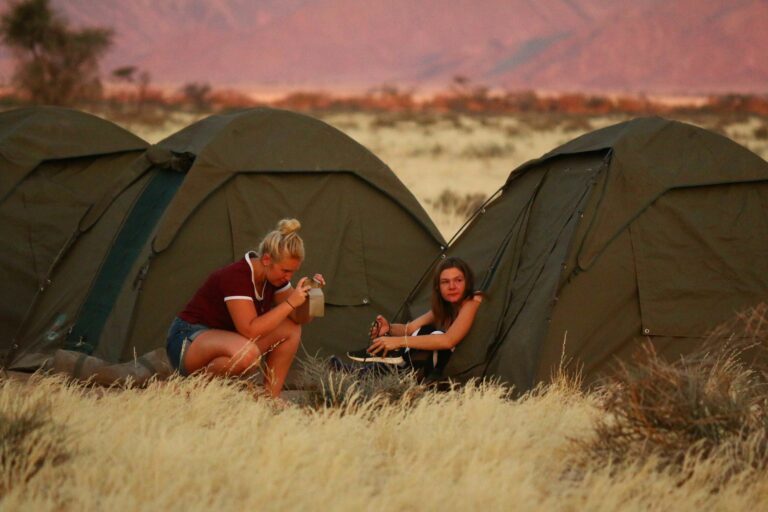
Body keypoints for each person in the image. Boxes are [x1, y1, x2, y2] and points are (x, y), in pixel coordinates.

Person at [165, 218, 324, 397]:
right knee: (248, 354)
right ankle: (191, 390)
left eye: (293, 272)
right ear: (266, 259)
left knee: (292, 329)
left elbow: (299, 319)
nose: (289, 277)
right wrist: (290, 303)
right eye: (285, 271)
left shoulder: (274, 278)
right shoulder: (236, 276)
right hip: (188, 339)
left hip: (227, 341)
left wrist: (314, 296)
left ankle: (270, 398)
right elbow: (250, 330)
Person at [347, 257, 482, 378]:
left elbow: (448, 340)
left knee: (434, 334)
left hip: (465, 368)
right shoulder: (446, 307)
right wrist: (389, 328)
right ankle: (374, 370)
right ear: (438, 287)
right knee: (423, 330)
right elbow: (410, 328)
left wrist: (399, 342)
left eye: (458, 280)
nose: (452, 286)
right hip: (437, 368)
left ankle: (380, 369)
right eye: (445, 282)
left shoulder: (473, 301)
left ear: (467, 282)